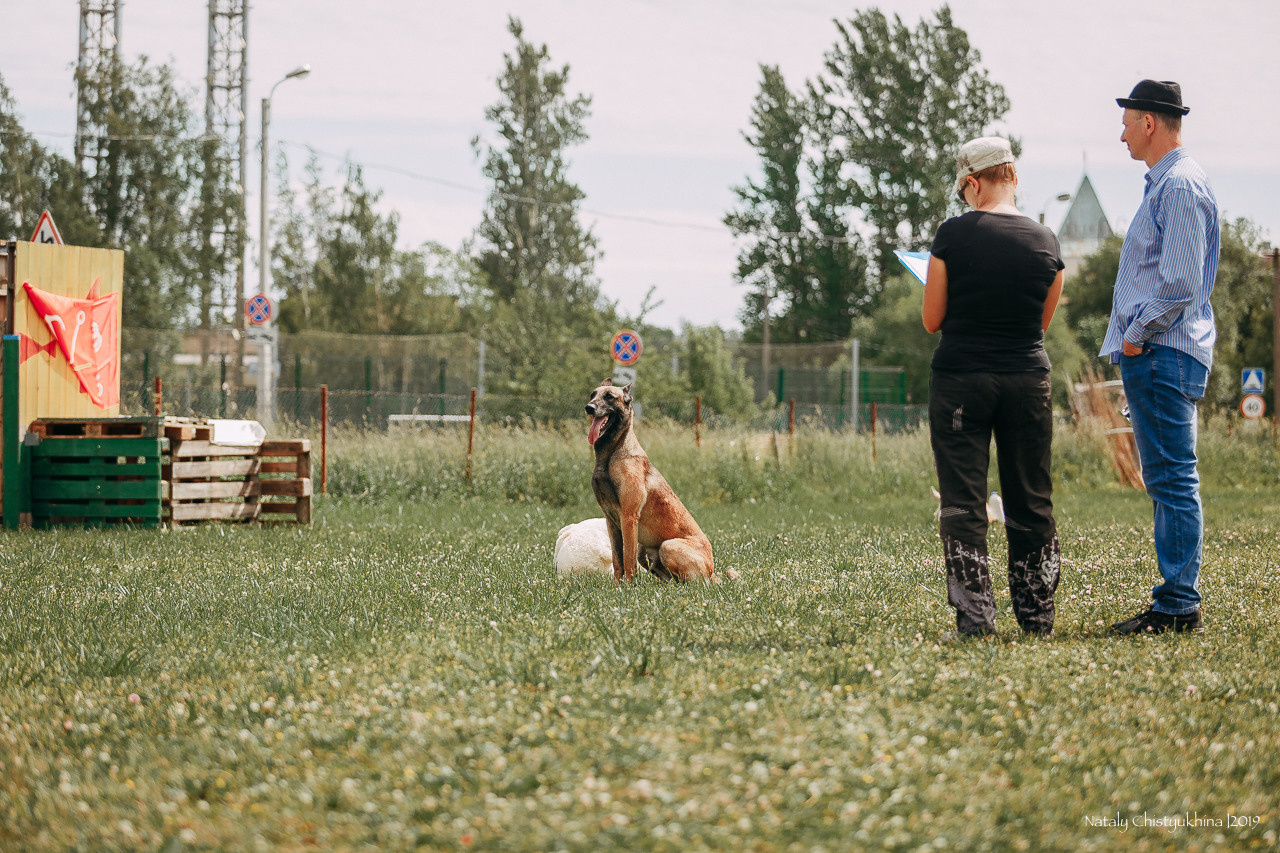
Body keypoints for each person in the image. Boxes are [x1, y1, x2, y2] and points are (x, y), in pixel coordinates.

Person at [923, 136, 1065, 638]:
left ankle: (976, 620)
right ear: (1014, 177)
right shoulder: (1047, 241)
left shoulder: (952, 236)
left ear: (973, 182)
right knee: (1031, 499)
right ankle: (1037, 618)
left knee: (964, 500)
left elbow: (932, 318)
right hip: (1028, 381)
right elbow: (1041, 323)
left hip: (962, 379)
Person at [1102, 80, 1219, 635]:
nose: (1121, 131)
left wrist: (1135, 336)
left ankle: (1176, 606)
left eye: (1127, 120)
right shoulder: (1167, 186)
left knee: (1172, 478)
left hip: (1161, 350)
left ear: (1149, 122)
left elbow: (1177, 283)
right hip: (1159, 351)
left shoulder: (1178, 186)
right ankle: (1176, 599)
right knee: (1168, 477)